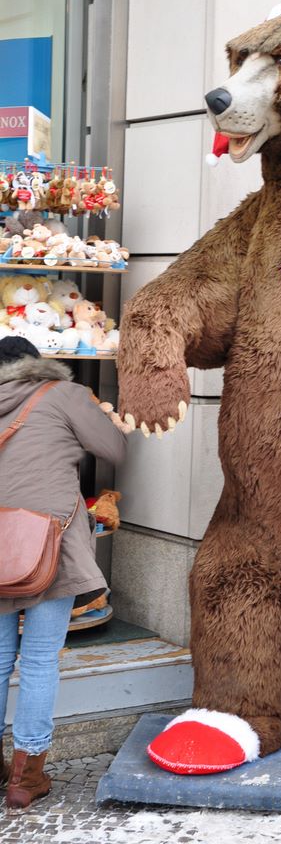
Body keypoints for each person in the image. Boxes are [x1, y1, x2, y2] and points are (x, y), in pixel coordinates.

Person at [0, 337, 128, 809]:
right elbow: (113, 448)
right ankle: (25, 777)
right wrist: (110, 419)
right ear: (39, 363)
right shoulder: (64, 394)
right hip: (47, 547)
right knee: (37, 661)